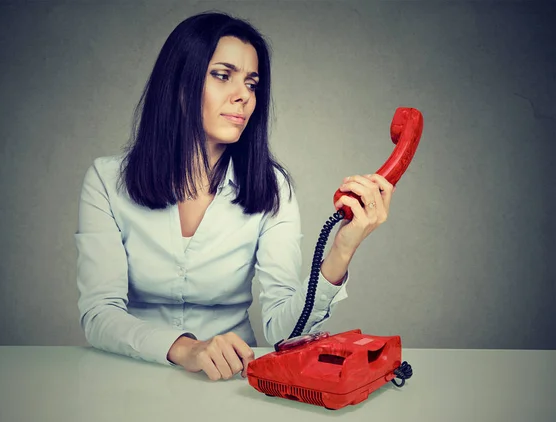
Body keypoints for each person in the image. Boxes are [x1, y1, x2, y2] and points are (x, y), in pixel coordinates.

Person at [74, 11, 395, 381]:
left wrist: (341, 250)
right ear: (180, 84)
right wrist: (188, 349)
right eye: (222, 76)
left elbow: (284, 333)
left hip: (233, 382)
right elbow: (99, 314)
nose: (243, 95)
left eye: (252, 84)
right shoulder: (106, 179)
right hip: (132, 376)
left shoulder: (272, 188)